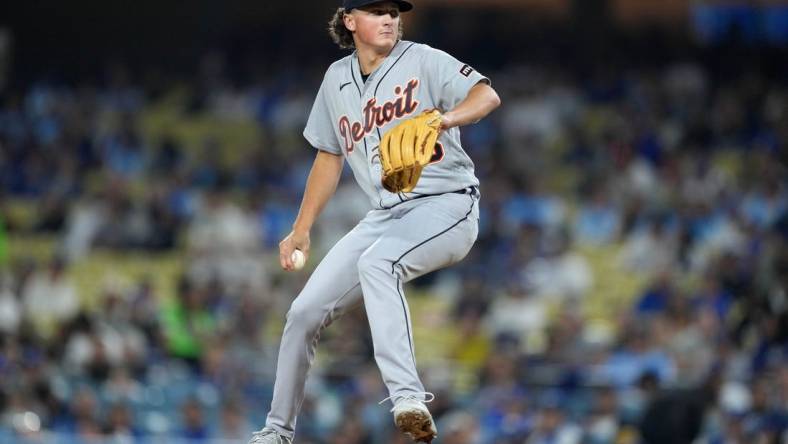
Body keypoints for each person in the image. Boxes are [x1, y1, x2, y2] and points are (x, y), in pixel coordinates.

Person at [249, 1, 500, 442]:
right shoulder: (335, 79)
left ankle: (408, 397)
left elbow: (486, 95)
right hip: (385, 214)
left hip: (447, 204)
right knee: (303, 313)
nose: (389, 18)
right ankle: (277, 431)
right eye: (376, 10)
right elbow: (329, 156)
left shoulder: (423, 58)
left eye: (393, 11)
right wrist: (302, 227)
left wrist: (446, 118)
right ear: (349, 21)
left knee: (378, 264)